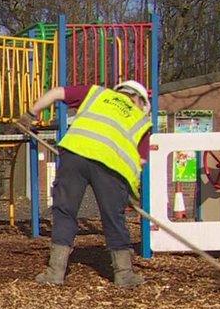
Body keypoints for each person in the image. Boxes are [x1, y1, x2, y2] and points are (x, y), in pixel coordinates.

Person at [22, 80, 152, 288]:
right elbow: (140, 161)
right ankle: (124, 275)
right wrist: (127, 189)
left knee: (65, 211)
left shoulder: (97, 94)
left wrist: (30, 114)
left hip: (75, 154)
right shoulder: (142, 120)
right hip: (111, 167)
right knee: (113, 217)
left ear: (118, 92)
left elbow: (56, 92)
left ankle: (55, 272)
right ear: (140, 101)